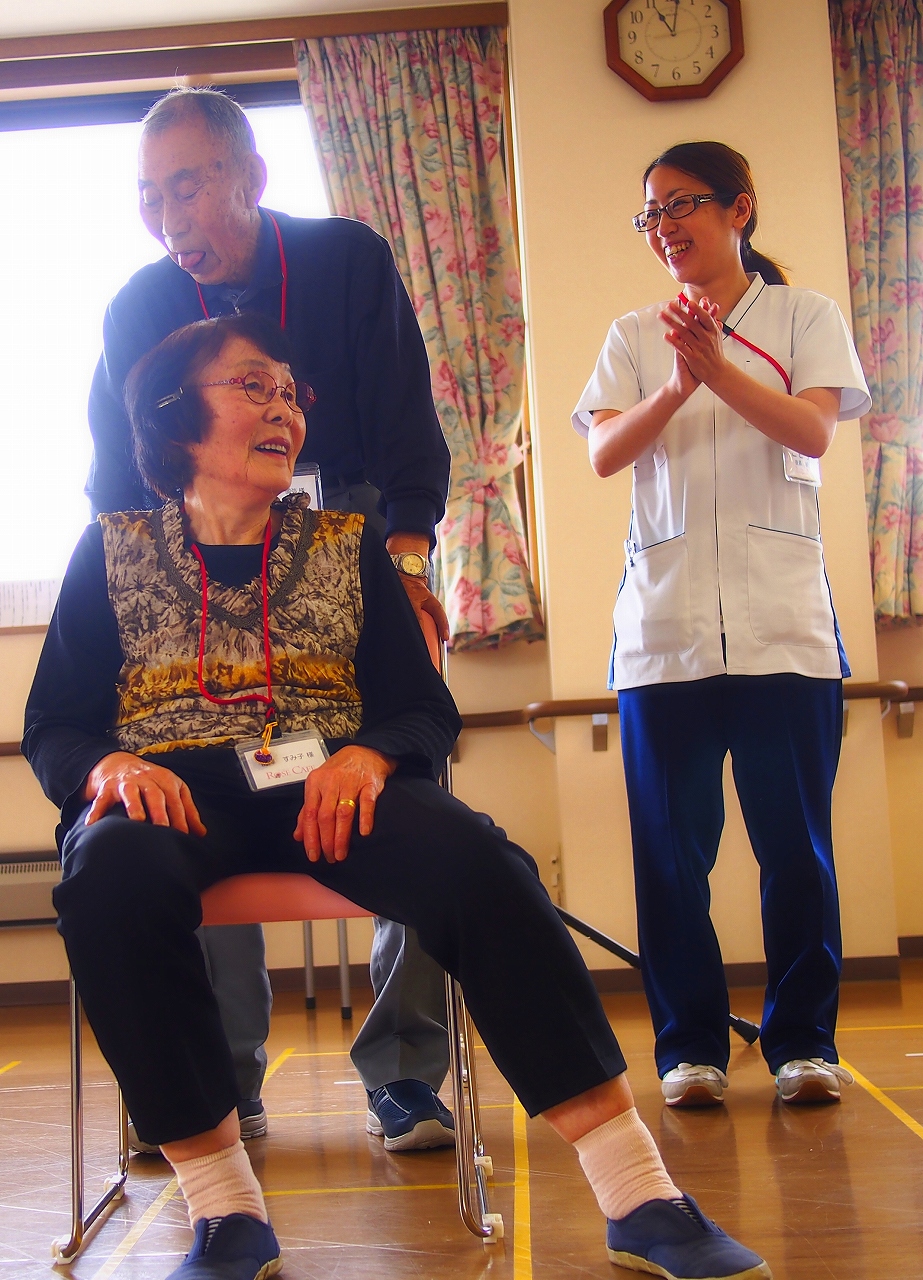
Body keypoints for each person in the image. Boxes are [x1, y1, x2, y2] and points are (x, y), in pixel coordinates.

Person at [26, 313, 769, 1280]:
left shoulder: (347, 545)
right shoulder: (110, 551)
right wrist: (107, 770)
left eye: (290, 392)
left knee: (482, 862)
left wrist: (370, 757)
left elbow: (422, 708)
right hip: (175, 790)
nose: (283, 408)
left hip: (331, 780)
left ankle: (640, 1197)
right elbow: (56, 723)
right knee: (107, 876)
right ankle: (225, 1215)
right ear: (173, 416)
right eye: (252, 386)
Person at [88, 86, 455, 1151]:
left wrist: (406, 563)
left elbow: (404, 427)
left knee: (405, 774)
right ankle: (219, 1079)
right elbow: (118, 480)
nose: (168, 218)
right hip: (199, 561)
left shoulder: (344, 259)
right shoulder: (138, 305)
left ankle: (404, 1073)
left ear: (249, 175)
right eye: (149, 196)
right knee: (192, 779)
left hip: (350, 548)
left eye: (187, 187)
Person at [572, 141, 870, 1110]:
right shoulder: (632, 335)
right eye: (649, 213)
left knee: (796, 852)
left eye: (681, 204)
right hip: (663, 638)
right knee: (670, 858)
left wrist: (715, 369)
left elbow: (810, 429)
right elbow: (604, 454)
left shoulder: (801, 315)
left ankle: (802, 1042)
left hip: (783, 626)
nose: (663, 227)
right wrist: (676, 381)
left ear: (738, 208)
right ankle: (689, 1047)